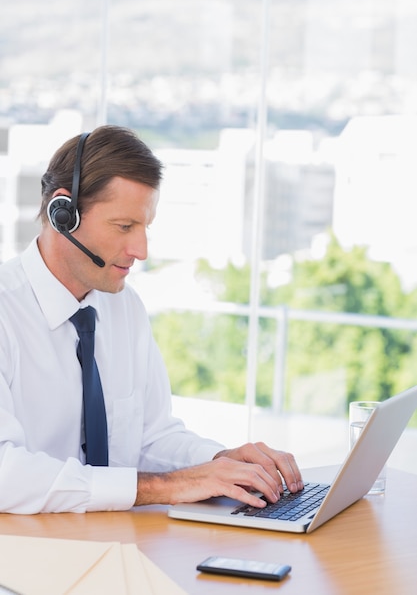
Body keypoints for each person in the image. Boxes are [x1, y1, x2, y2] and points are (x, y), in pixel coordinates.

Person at [0, 125, 303, 514]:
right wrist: (166, 487)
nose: (140, 250)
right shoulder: (7, 314)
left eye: (145, 227)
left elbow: (152, 437)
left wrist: (222, 463)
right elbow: (6, 473)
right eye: (124, 226)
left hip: (117, 542)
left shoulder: (124, 307)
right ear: (64, 214)